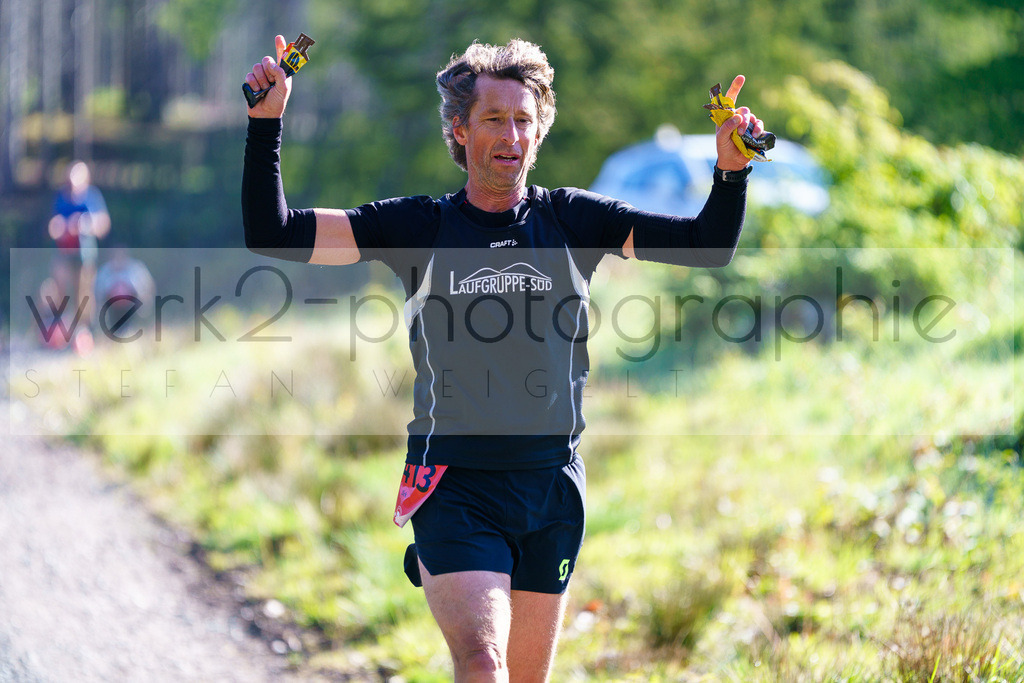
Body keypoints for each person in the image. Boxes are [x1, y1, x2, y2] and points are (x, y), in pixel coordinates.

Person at [242, 35, 763, 682]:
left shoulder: (573, 220)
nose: (512, 134)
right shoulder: (418, 229)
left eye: (524, 119)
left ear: (538, 131)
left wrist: (731, 169)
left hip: (551, 486)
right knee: (483, 663)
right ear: (460, 131)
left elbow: (705, 246)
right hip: (455, 484)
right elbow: (275, 232)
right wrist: (267, 125)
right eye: (494, 119)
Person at [48, 159, 111, 329]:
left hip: (85, 255)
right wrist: (63, 227)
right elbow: (53, 226)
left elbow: (104, 224)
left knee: (84, 293)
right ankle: (59, 326)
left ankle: (85, 330)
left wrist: (86, 224)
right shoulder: (61, 197)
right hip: (64, 253)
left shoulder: (92, 196)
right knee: (58, 287)